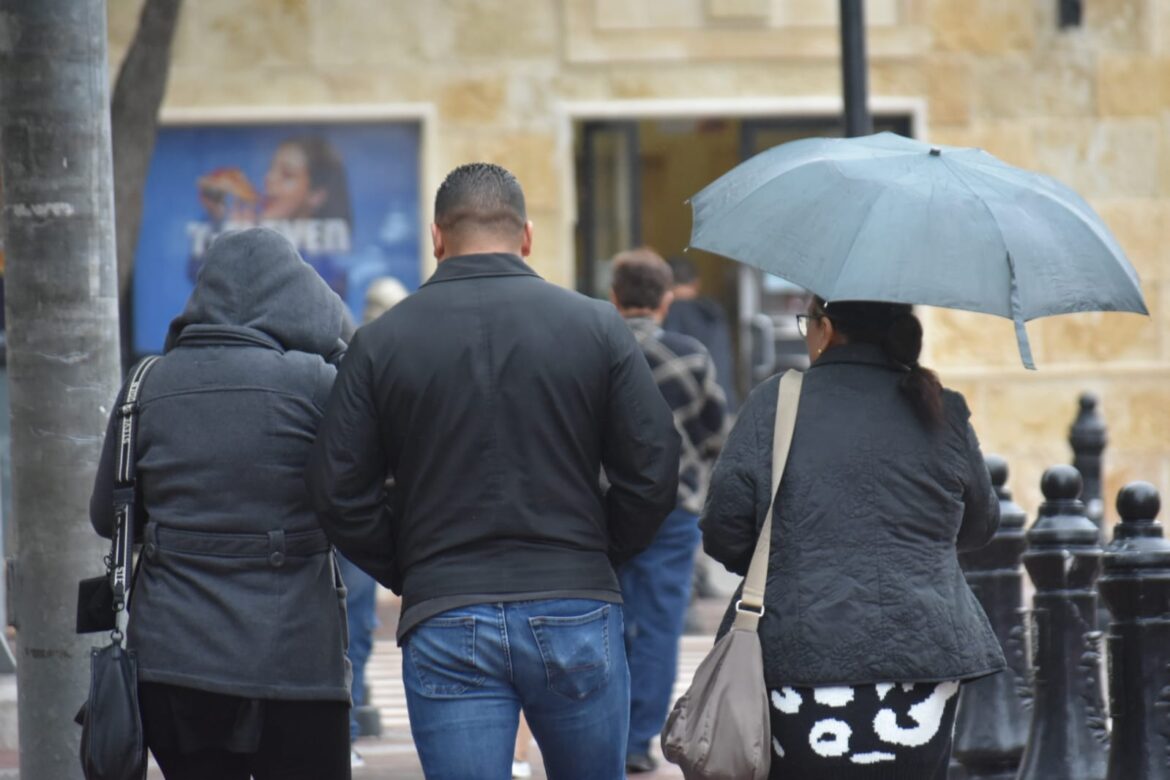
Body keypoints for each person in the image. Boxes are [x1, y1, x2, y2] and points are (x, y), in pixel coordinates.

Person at [307, 162, 680, 779]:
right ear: (527, 235)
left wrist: (411, 562)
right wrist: (598, 551)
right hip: (575, 599)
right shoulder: (596, 326)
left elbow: (337, 488)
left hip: (447, 605)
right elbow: (653, 468)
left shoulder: (380, 341)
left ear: (436, 237)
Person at [700, 296, 1004, 779]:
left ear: (825, 328)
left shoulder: (776, 403)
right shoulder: (941, 408)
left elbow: (723, 529)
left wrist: (784, 562)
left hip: (797, 649)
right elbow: (982, 523)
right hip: (923, 653)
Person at [89, 227, 352, 780]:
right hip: (295, 658)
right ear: (296, 296)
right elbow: (355, 496)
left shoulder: (146, 384)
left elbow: (106, 517)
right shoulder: (315, 382)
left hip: (173, 660)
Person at [607, 249, 726, 774]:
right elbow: (716, 434)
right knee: (658, 626)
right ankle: (637, 742)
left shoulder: (594, 351)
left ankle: (600, 734)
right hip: (674, 510)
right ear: (666, 299)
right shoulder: (690, 355)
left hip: (602, 510)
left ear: (615, 298)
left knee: (604, 621)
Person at [337, 275, 412, 769]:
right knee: (353, 626)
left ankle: (344, 726)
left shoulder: (351, 357)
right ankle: (343, 729)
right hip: (362, 519)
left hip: (353, 518)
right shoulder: (379, 360)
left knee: (352, 626)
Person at [663, 256, 738, 413]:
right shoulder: (714, 313)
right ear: (696, 283)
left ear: (665, 285)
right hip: (723, 406)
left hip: (689, 412)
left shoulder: (670, 315)